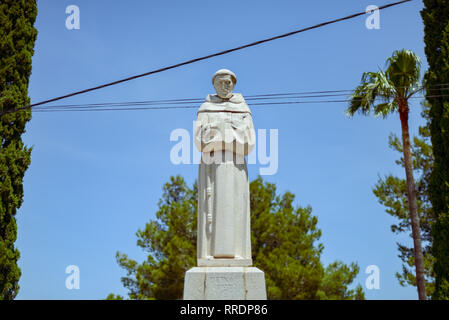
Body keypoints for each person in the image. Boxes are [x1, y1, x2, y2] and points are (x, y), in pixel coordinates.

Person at [194, 69, 256, 266]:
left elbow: (248, 143)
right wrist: (229, 133)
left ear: (234, 84)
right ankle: (211, 254)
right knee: (211, 210)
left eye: (228, 82)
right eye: (220, 82)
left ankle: (238, 254)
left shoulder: (243, 109)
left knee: (236, 210)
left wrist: (219, 133)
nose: (224, 86)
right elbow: (200, 141)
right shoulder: (205, 108)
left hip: (236, 167)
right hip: (211, 167)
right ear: (214, 85)